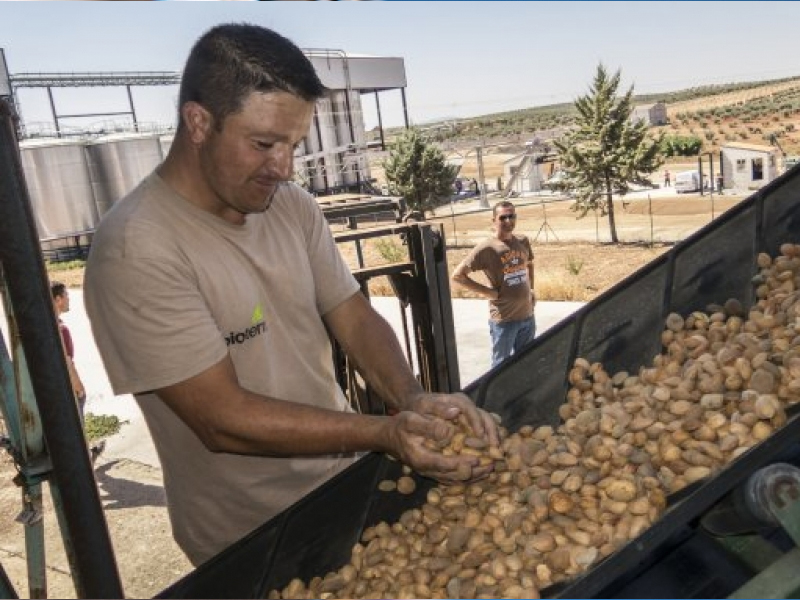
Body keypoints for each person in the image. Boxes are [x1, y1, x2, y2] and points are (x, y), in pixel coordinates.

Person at [84, 23, 499, 567]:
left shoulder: (290, 206)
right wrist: (385, 433)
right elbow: (221, 418)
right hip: (251, 541)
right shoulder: (136, 248)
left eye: (294, 145)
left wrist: (411, 396)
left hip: (343, 494)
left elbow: (352, 315)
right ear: (198, 122)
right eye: (263, 144)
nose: (283, 168)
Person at [451, 201, 536, 369]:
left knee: (526, 364)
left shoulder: (522, 241)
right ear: (494, 220)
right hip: (504, 321)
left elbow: (530, 265)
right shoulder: (487, 248)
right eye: (503, 217)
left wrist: (532, 290)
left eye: (512, 216)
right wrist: (490, 293)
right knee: (500, 369)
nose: (508, 221)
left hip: (527, 317)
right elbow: (457, 276)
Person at [50, 281, 105, 463]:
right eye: (66, 296)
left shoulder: (49, 325)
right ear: (57, 299)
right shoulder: (60, 329)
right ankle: (85, 461)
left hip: (54, 387)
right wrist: (79, 387)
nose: (68, 299)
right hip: (67, 388)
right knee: (77, 428)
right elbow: (67, 362)